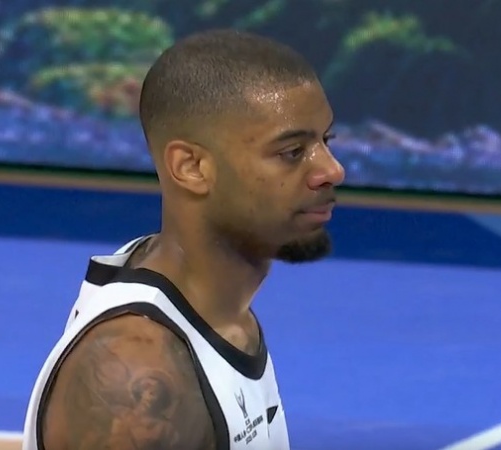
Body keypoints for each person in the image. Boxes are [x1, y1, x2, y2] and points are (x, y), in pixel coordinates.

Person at [21, 28, 345, 450]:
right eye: (292, 152)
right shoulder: (140, 374)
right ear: (191, 167)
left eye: (325, 141)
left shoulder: (215, 308)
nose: (332, 170)